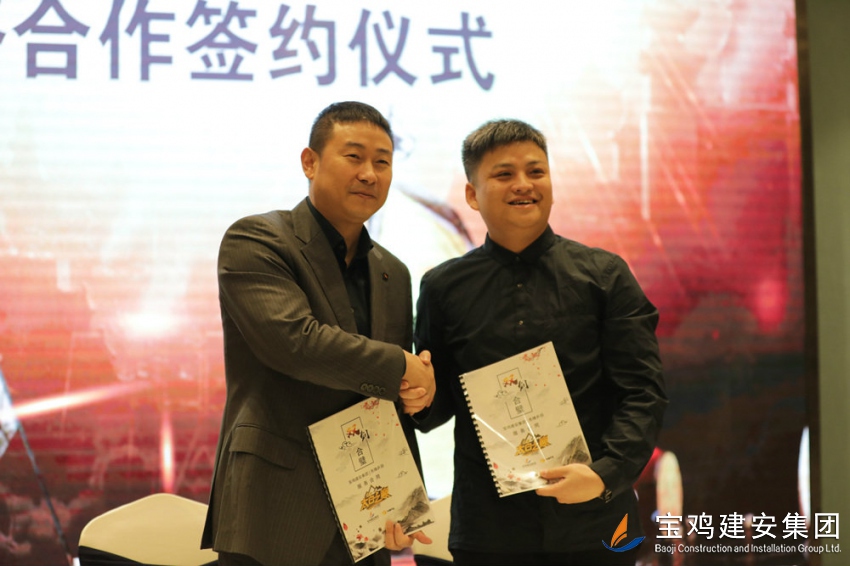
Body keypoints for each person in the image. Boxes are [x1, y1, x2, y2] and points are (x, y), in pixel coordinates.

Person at [412, 119, 667, 566]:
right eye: (504, 174)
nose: (523, 184)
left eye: (536, 171)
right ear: (472, 194)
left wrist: (604, 475)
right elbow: (439, 404)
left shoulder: (604, 276)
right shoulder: (442, 287)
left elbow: (642, 392)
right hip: (489, 532)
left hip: (595, 524)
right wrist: (418, 396)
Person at [201, 101, 435, 566]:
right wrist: (402, 367)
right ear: (310, 162)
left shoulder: (394, 271)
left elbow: (383, 397)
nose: (369, 174)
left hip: (366, 518)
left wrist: (404, 499)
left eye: (383, 162)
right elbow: (295, 343)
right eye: (354, 157)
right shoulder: (258, 240)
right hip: (274, 510)